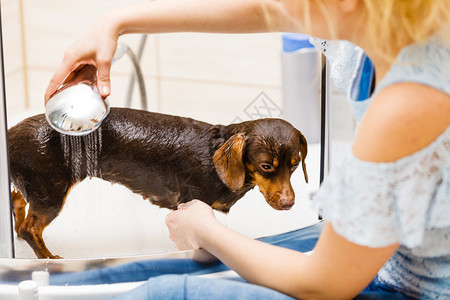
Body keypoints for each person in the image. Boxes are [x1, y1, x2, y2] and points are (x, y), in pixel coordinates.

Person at [45, 0, 450, 299]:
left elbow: (323, 284)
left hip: (408, 289)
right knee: (169, 267)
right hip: (384, 254)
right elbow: (264, 10)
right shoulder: (379, 26)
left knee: (171, 291)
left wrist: (205, 229)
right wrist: (115, 21)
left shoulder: (410, 103)